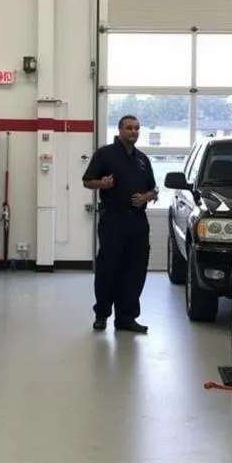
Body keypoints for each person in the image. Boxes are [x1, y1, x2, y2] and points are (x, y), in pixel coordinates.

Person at [82, 115, 157, 333]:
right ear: (120, 130)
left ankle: (126, 317)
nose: (133, 132)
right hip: (113, 221)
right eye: (129, 128)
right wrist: (102, 184)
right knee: (108, 269)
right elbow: (87, 181)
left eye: (136, 128)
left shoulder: (142, 159)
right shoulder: (104, 154)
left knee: (135, 270)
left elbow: (154, 189)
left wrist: (146, 197)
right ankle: (102, 314)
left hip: (138, 223)